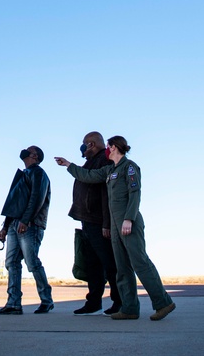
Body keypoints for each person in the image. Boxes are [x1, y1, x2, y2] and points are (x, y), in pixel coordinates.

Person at [55, 136, 176, 321]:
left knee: (140, 263)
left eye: (108, 147)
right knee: (122, 268)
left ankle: (163, 302)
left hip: (129, 222)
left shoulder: (130, 167)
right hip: (115, 225)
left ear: (113, 147)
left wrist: (129, 219)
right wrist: (69, 165)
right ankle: (129, 308)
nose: (106, 150)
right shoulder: (109, 170)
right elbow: (88, 176)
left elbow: (135, 193)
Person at [0, 145, 54, 315]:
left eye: (29, 150)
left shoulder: (38, 173)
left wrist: (26, 220)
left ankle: (46, 300)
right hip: (15, 224)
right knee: (11, 262)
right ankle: (13, 303)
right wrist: (5, 227)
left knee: (32, 262)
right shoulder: (23, 175)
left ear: (35, 156)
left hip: (30, 225)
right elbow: (13, 203)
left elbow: (37, 198)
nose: (25, 151)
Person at [68, 131, 122, 315]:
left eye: (84, 144)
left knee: (109, 263)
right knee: (92, 264)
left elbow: (106, 195)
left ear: (91, 144)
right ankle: (93, 302)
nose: (82, 148)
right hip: (88, 221)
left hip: (99, 221)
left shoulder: (103, 162)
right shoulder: (89, 163)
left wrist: (106, 223)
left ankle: (119, 301)